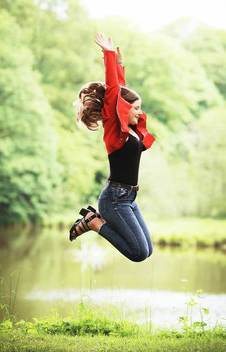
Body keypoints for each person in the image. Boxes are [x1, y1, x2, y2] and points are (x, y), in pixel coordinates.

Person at [69, 34, 156, 262]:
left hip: (128, 197)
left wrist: (118, 65)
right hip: (115, 199)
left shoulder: (129, 132)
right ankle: (94, 223)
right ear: (124, 109)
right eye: (136, 108)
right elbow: (115, 93)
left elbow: (121, 93)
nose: (140, 112)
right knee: (137, 253)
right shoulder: (116, 133)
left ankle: (94, 221)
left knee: (147, 251)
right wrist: (108, 57)